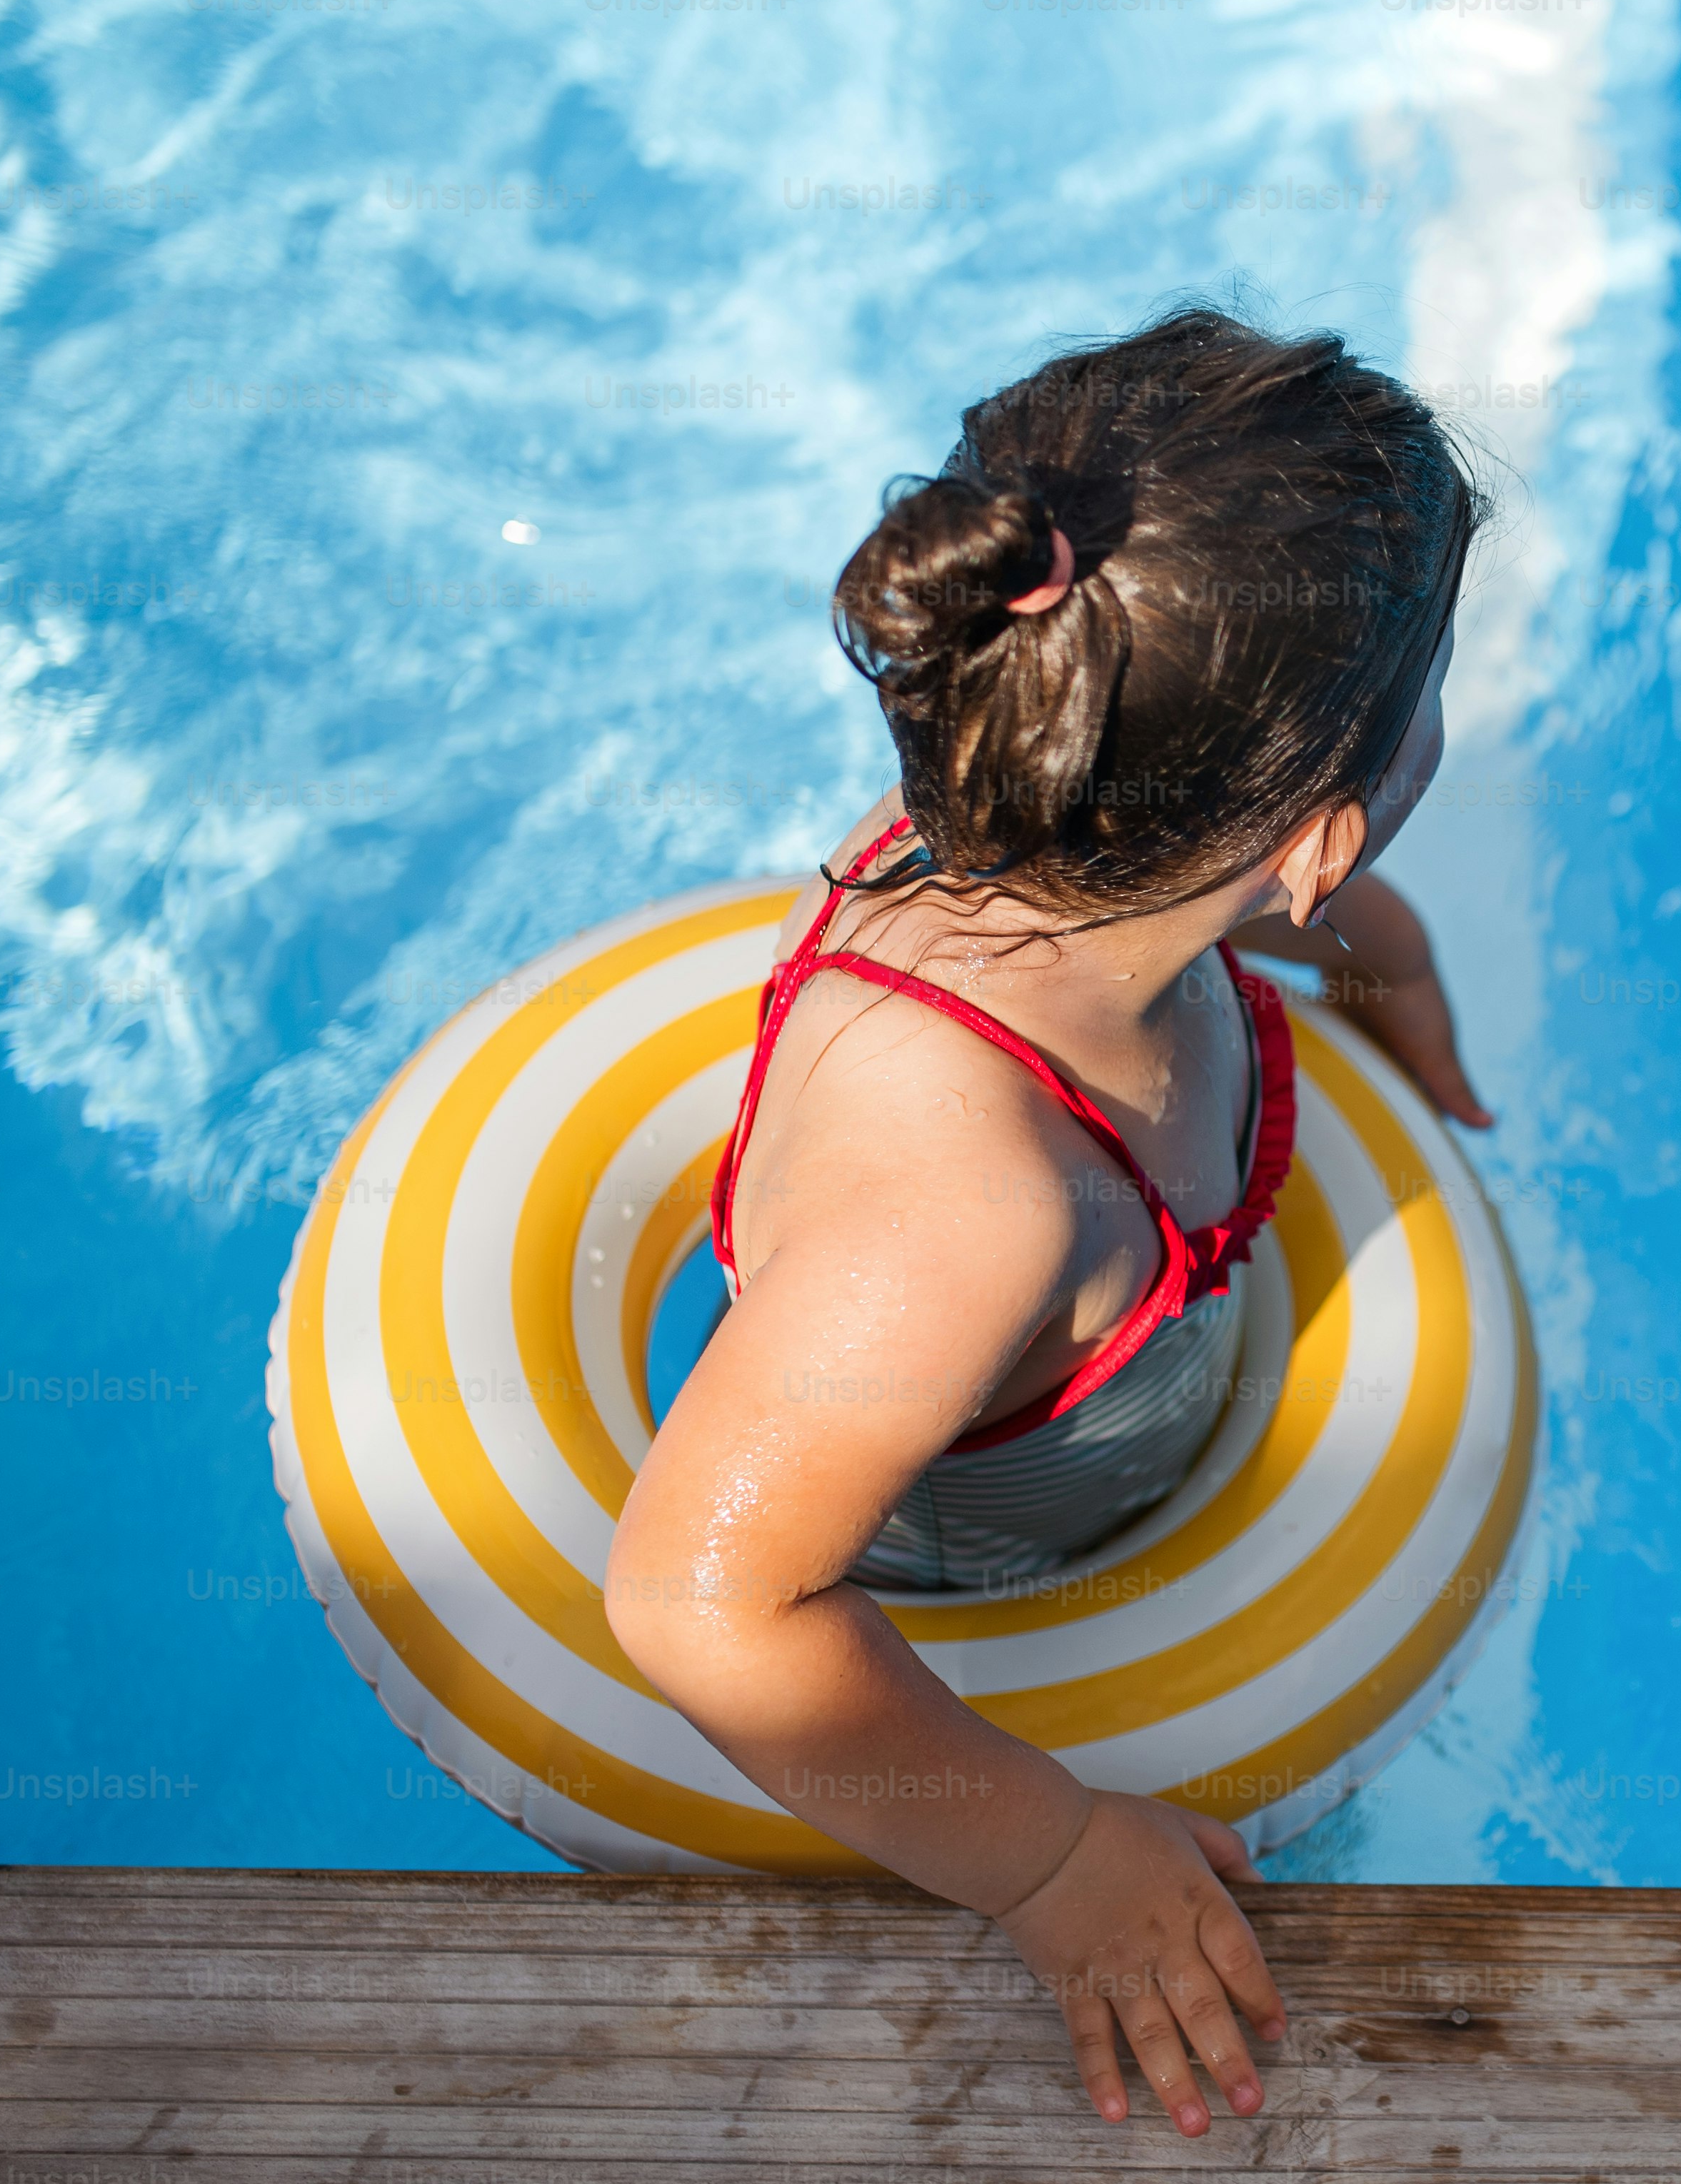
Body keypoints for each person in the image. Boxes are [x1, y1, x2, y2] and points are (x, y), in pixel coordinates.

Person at [608, 308, 1492, 2136]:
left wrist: (1380, 957)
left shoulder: (1044, 814)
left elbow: (1198, 902)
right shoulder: (966, 1208)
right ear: (1320, 835)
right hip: (973, 1550)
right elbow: (704, 1606)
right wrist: (1052, 1858)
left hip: (1028, 1337)